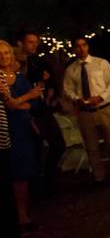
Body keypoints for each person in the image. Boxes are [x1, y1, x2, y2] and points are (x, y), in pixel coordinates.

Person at [61, 35, 110, 183]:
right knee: (91, 147)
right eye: (78, 46)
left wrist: (100, 97)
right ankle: (98, 177)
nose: (81, 49)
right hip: (85, 112)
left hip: (105, 109)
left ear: (88, 46)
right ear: (74, 48)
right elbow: (67, 89)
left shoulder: (101, 64)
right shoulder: (71, 70)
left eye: (84, 45)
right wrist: (77, 99)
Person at [16, 31, 65, 196]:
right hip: (29, 111)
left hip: (43, 109)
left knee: (58, 143)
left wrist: (51, 90)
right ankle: (37, 187)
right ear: (20, 43)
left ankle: (48, 179)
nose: (34, 45)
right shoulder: (17, 63)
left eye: (35, 42)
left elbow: (47, 80)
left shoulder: (38, 60)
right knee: (35, 149)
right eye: (30, 42)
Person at [0, 40, 41, 235]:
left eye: (6, 53)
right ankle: (13, 218)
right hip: (6, 131)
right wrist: (26, 98)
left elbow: (34, 105)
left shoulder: (20, 79)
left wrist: (23, 103)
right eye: (0, 54)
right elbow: (11, 105)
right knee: (10, 175)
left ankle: (23, 215)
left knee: (23, 175)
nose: (4, 57)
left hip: (22, 130)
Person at [0, 68, 21, 238]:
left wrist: (5, 95)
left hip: (2, 136)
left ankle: (10, 232)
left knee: (6, 186)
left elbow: (8, 103)